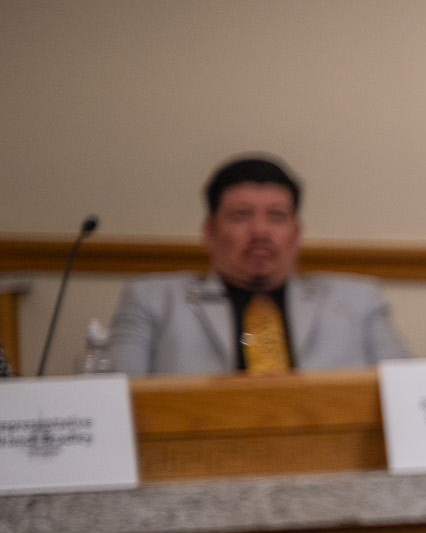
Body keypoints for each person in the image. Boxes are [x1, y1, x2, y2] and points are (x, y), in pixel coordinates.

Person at [106, 156, 409, 376]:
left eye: (276, 217)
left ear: (297, 232)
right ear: (209, 232)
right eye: (241, 216)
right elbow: (112, 400)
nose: (260, 232)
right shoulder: (152, 300)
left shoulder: (359, 299)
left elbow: (407, 391)